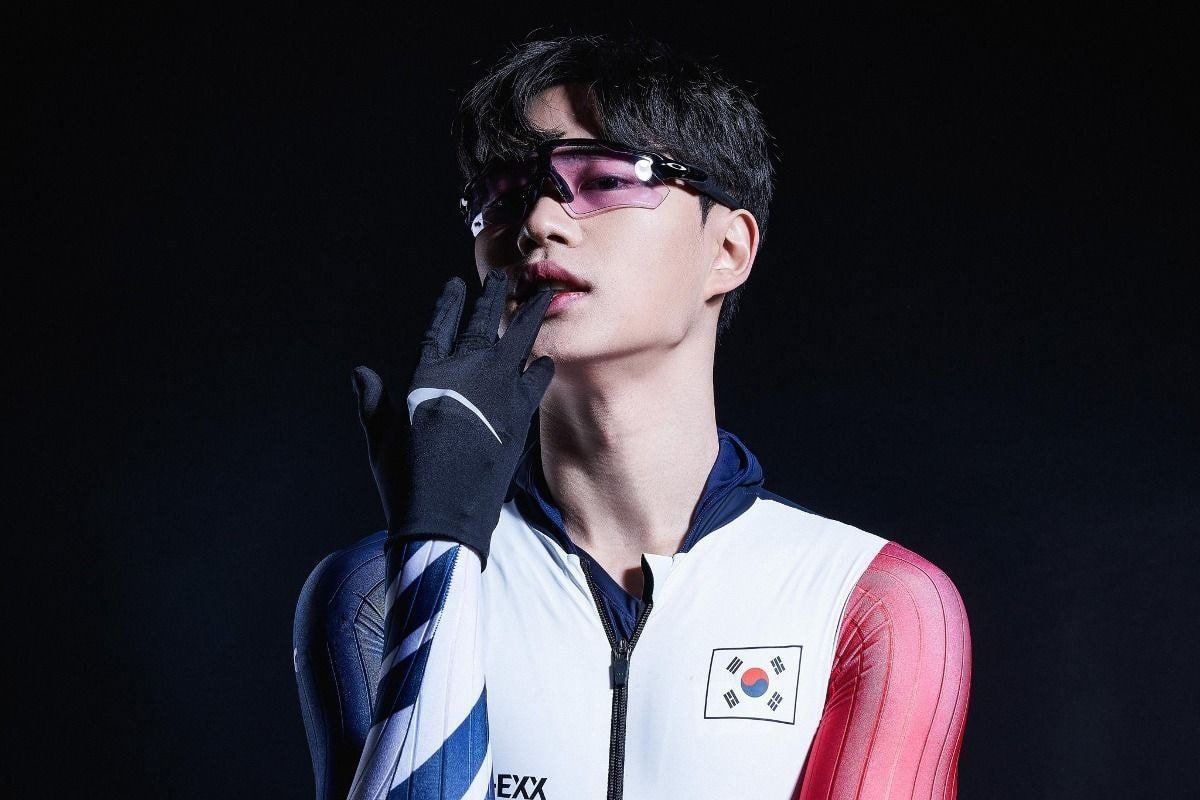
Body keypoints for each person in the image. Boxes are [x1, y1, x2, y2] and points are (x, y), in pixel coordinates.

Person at [294, 33, 971, 800]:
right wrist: (436, 555)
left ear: (728, 249)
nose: (539, 222)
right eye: (505, 192)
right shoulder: (374, 590)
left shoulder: (876, 602)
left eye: (605, 178)